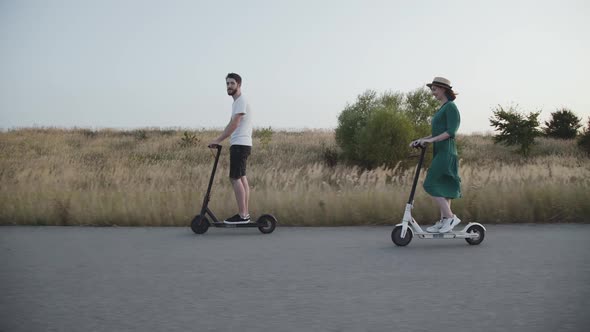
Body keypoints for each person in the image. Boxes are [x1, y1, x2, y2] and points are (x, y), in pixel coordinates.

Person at [409, 77, 462, 233]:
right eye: (431, 89)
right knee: (444, 186)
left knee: (430, 184)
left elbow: (450, 132)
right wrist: (420, 140)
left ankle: (451, 217)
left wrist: (430, 140)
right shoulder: (442, 108)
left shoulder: (451, 107)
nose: (432, 93)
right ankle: (444, 220)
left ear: (443, 89)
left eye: (434, 89)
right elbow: (436, 133)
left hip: (447, 151)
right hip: (441, 150)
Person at [208, 73, 253, 223]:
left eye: (232, 83)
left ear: (239, 85)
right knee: (241, 178)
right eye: (227, 84)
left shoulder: (240, 101)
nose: (229, 86)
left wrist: (218, 140)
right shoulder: (237, 103)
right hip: (242, 144)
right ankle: (245, 214)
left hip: (240, 145)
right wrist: (219, 139)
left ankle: (242, 216)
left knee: (234, 178)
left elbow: (234, 124)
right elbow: (231, 123)